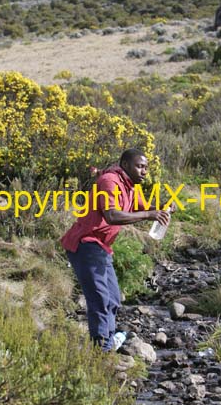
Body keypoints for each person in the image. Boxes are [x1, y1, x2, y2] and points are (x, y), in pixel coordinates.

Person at [61, 148, 170, 352]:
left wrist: (162, 208)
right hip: (86, 244)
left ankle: (106, 346)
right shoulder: (109, 182)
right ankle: (101, 351)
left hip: (101, 247)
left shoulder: (130, 185)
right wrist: (149, 215)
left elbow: (142, 207)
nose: (144, 171)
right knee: (100, 299)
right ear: (126, 165)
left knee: (112, 298)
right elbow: (112, 215)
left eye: (146, 167)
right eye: (140, 166)